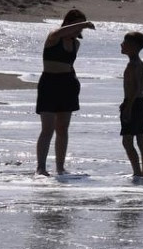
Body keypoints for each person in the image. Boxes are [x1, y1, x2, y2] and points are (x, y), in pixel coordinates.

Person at [36, 9, 95, 176]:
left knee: (62, 128)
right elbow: (60, 31)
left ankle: (60, 167)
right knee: (47, 128)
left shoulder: (76, 44)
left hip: (68, 85)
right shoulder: (54, 37)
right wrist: (83, 23)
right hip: (49, 83)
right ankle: (41, 167)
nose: (79, 30)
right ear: (68, 23)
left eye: (81, 27)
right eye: (76, 25)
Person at [119, 31, 143, 179]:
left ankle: (139, 173)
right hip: (140, 104)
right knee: (140, 141)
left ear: (133, 46)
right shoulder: (138, 63)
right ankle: (142, 173)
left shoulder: (134, 65)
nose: (121, 45)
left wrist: (128, 107)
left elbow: (139, 87)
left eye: (124, 43)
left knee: (129, 141)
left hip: (135, 104)